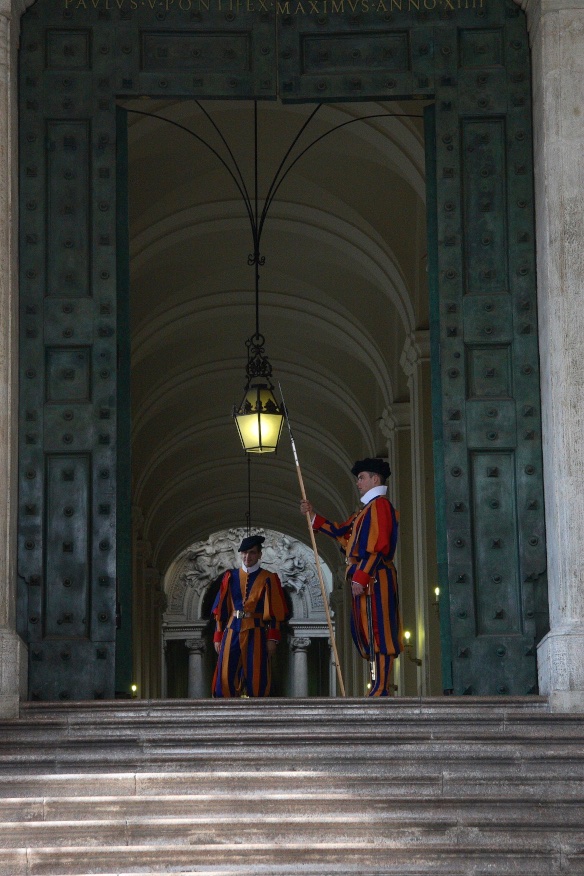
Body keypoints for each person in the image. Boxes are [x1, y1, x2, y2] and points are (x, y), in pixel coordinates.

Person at [300, 458, 402, 697]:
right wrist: (312, 515)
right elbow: (339, 531)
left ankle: (381, 687)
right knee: (367, 632)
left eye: (362, 478)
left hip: (376, 577)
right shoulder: (364, 512)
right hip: (367, 578)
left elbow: (379, 545)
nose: (358, 483)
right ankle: (376, 684)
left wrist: (361, 575)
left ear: (375, 479)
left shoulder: (380, 507)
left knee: (380, 631)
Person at [211, 534, 289, 698]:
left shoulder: (269, 578)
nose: (248, 556)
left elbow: (275, 611)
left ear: (260, 554)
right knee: (225, 674)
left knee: (257, 675)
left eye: (252, 553)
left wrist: (272, 638)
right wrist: (218, 635)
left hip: (257, 631)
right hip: (232, 629)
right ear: (240, 554)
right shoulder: (229, 576)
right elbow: (220, 609)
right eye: (244, 553)